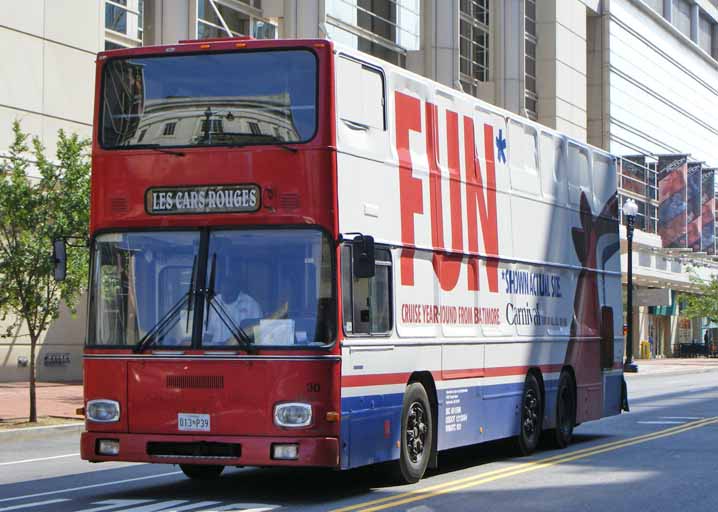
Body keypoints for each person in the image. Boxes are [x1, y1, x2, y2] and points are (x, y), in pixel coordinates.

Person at [204, 271, 263, 345]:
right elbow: (208, 333)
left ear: (237, 286)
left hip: (241, 350)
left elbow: (258, 334)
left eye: (230, 283)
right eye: (224, 283)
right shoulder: (213, 303)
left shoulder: (251, 304)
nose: (226, 287)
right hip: (215, 350)